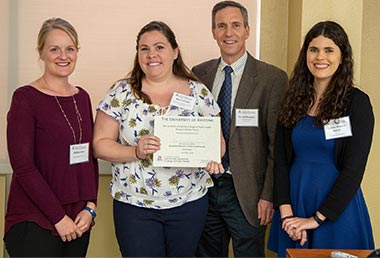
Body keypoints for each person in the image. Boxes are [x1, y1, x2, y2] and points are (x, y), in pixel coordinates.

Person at [93, 21, 225, 257]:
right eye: (144, 48)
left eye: (159, 47)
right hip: (135, 206)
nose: (151, 54)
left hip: (189, 204)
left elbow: (218, 141)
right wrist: (135, 151)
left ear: (175, 52)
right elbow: (100, 144)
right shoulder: (121, 92)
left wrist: (213, 156)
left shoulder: (198, 92)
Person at [268, 21, 375, 257]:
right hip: (294, 203)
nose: (320, 57)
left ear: (342, 56)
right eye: (314, 49)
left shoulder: (357, 103)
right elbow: (281, 161)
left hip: (337, 209)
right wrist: (287, 216)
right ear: (306, 54)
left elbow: (354, 170)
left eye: (329, 50)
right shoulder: (292, 101)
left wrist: (316, 219)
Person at [192, 1, 288, 257]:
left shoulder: (272, 79)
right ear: (213, 32)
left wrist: (268, 196)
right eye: (221, 26)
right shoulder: (198, 74)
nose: (228, 32)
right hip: (205, 187)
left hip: (247, 193)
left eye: (235, 25)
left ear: (247, 30)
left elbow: (275, 144)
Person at [3, 18, 99, 257]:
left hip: (78, 220)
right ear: (41, 53)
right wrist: (58, 218)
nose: (62, 56)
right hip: (35, 220)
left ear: (77, 51)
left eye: (69, 48)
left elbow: (90, 155)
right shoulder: (25, 98)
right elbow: (23, 167)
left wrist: (91, 206)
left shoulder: (82, 97)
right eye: (54, 49)